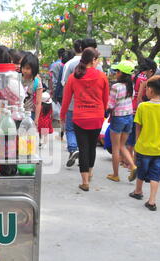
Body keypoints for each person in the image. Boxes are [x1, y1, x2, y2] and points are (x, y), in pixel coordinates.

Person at [60, 48, 109, 192]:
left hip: (80, 117)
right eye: (97, 59)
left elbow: (66, 99)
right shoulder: (102, 76)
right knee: (92, 146)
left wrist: (62, 116)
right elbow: (105, 99)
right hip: (97, 117)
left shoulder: (74, 77)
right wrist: (103, 112)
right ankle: (90, 171)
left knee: (83, 148)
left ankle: (85, 181)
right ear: (93, 60)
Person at [129, 75, 160, 211]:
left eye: (146, 88)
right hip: (159, 148)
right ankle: (152, 201)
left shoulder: (142, 107)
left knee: (141, 171)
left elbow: (138, 128)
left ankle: (138, 191)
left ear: (151, 90)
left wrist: (136, 144)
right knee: (155, 175)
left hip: (144, 147)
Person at [61, 39, 102, 168]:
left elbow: (65, 85)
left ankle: (74, 149)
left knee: (71, 129)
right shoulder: (98, 67)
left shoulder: (69, 64)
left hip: (75, 106)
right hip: (95, 110)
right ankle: (87, 171)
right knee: (89, 142)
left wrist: (62, 112)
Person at [106, 61, 137, 183]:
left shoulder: (116, 87)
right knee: (122, 145)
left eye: (117, 71)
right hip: (129, 117)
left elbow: (111, 104)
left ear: (122, 73)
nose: (116, 73)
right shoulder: (131, 86)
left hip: (118, 118)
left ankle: (115, 174)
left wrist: (106, 111)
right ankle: (133, 166)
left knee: (115, 148)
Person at [21, 53, 43, 126]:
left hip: (30, 114)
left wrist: (36, 119)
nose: (24, 70)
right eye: (23, 67)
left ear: (34, 69)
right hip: (18, 113)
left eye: (28, 68)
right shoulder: (18, 79)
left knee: (29, 136)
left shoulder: (37, 82)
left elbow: (38, 102)